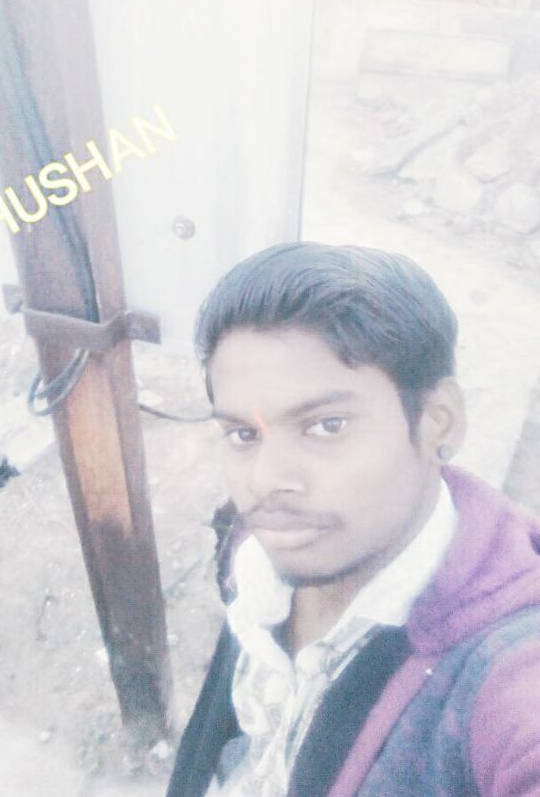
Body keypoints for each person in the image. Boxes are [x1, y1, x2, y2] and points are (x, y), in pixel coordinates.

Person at [165, 242, 540, 797]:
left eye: (327, 425)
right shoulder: (257, 557)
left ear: (439, 422)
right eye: (243, 434)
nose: (266, 479)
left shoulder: (503, 679)